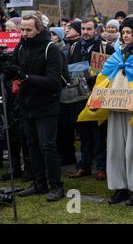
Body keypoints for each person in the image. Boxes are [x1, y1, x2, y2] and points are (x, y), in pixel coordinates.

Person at [80, 17, 133, 206]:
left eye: (129, 32)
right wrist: (95, 100)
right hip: (115, 109)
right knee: (115, 149)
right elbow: (102, 80)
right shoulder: (116, 56)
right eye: (123, 32)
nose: (125, 35)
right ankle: (120, 187)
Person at [5, 11, 65, 201]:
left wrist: (25, 78)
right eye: (22, 29)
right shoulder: (21, 46)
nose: (24, 33)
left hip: (47, 104)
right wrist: (8, 70)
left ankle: (56, 186)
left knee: (47, 146)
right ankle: (39, 183)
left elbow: (54, 81)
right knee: (32, 145)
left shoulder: (51, 49)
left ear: (38, 29)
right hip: (26, 103)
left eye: (28, 30)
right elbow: (13, 68)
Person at [68, 18, 114, 180]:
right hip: (79, 95)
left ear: (96, 30)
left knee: (99, 133)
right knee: (84, 131)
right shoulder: (74, 47)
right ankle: (84, 165)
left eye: (89, 29)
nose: (85, 32)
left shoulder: (105, 47)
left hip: (98, 94)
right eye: (83, 29)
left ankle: (101, 167)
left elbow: (111, 71)